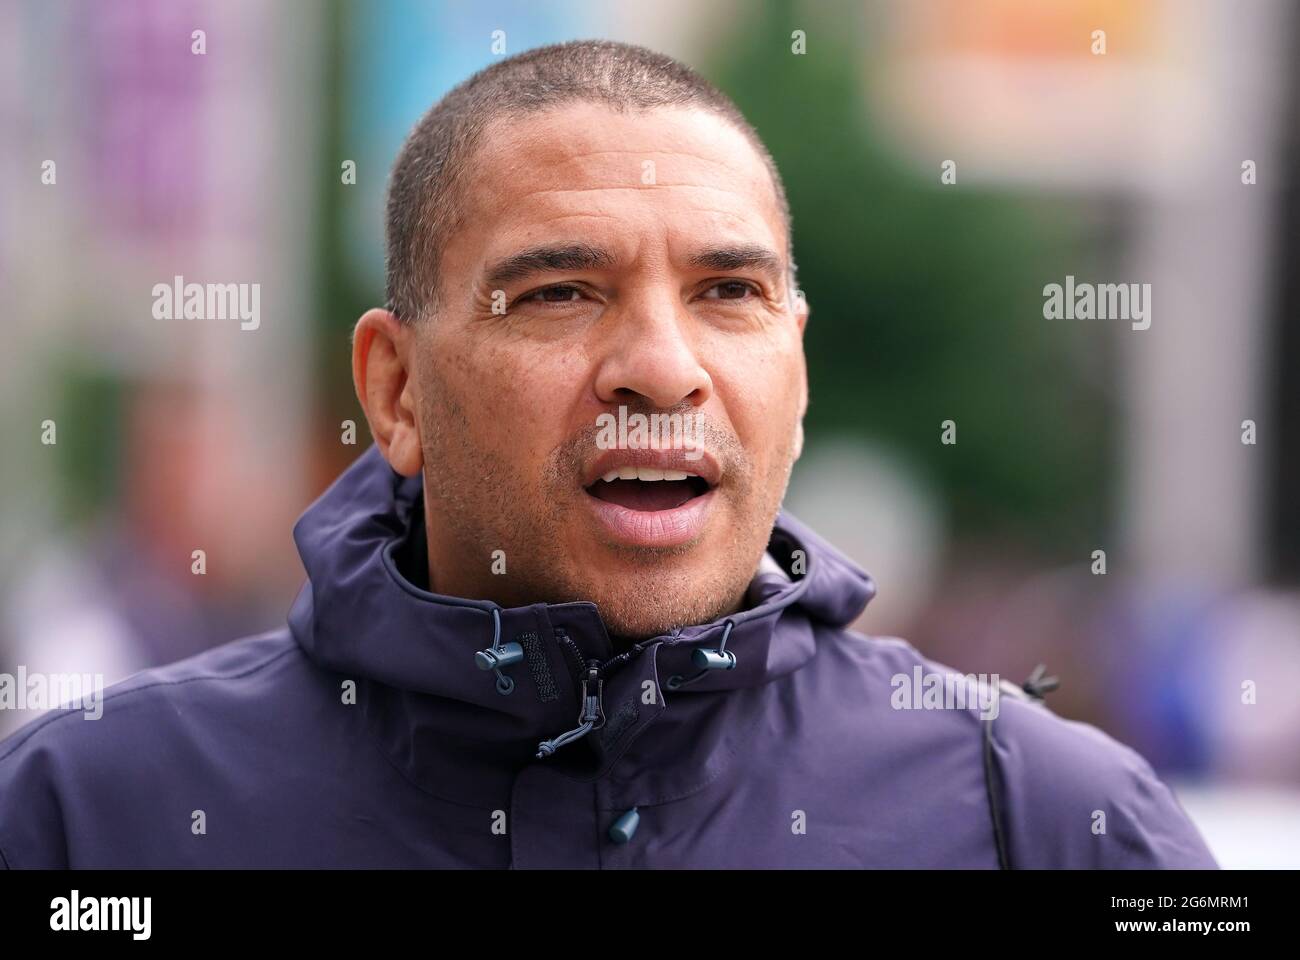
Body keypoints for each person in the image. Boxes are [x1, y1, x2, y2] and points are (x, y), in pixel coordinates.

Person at [0, 40, 1216, 868]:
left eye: (727, 291)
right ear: (396, 389)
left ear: (795, 373)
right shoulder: (89, 812)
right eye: (562, 294)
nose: (660, 366)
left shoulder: (1049, 821)